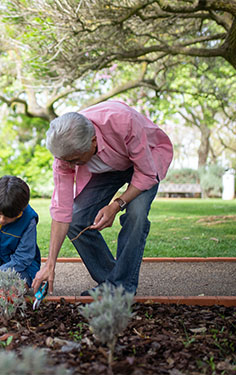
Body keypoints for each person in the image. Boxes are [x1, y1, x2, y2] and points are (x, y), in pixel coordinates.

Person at [32, 100, 173, 296]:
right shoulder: (65, 153)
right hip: (108, 168)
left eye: (74, 160)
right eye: (66, 160)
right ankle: (113, 283)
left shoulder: (122, 121)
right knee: (76, 218)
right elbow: (61, 210)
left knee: (136, 214)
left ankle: (121, 288)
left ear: (93, 141)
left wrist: (116, 205)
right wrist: (50, 264)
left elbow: (147, 174)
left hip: (146, 160)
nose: (69, 164)